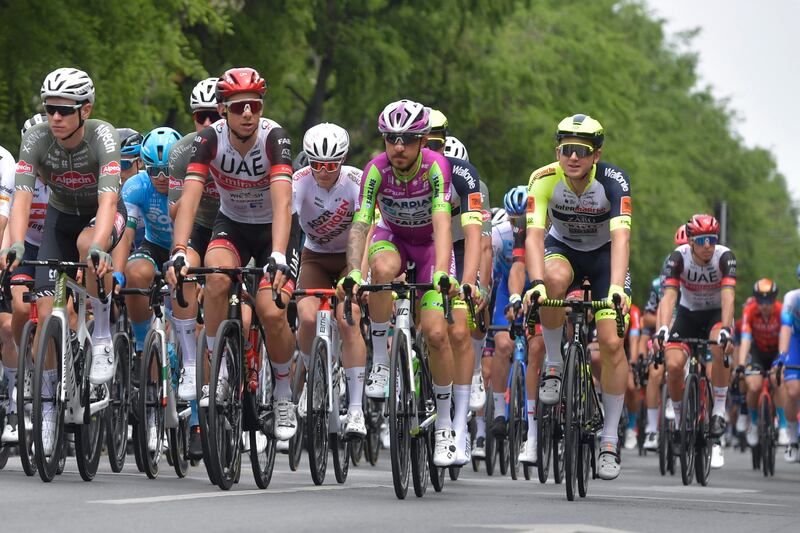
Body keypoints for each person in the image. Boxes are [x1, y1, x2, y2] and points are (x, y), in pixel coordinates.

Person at [167, 67, 301, 442]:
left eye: (254, 106)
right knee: (214, 277)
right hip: (233, 223)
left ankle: (284, 394)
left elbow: (283, 200)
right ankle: (217, 371)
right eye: (239, 106)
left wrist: (276, 254)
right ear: (224, 108)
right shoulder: (210, 139)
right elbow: (190, 200)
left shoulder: (275, 138)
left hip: (275, 228)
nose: (247, 114)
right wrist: (179, 251)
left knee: (271, 311)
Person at [0, 68, 124, 454]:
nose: (55, 117)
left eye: (64, 110)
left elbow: (107, 201)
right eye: (50, 108)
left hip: (98, 217)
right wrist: (17, 244)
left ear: (84, 110)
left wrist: (102, 245)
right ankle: (49, 401)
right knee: (43, 305)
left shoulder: (103, 137)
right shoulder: (36, 139)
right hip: (59, 218)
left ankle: (101, 330)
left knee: (90, 246)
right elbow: (21, 198)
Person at [339, 99, 458, 466]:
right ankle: (380, 362)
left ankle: (445, 427)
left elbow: (441, 221)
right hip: (394, 238)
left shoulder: (436, 167)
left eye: (407, 138)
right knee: (381, 268)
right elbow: (361, 223)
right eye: (392, 139)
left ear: (422, 139)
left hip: (428, 248)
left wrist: (441, 269)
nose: (399, 147)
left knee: (437, 334)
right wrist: (353, 272)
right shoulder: (375, 170)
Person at [524, 113, 632, 480]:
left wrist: (616, 288)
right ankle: (554, 363)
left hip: (604, 258)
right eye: (566, 150)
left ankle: (609, 440)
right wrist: (536, 282)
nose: (573, 158)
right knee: (552, 280)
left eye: (582, 151)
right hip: (563, 249)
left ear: (596, 155)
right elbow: (535, 235)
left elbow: (621, 238)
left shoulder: (614, 183)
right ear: (558, 151)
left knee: (611, 342)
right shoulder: (542, 179)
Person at [293, 122, 367, 437]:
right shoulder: (299, 182)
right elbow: (288, 225)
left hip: (349, 259)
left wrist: (360, 275)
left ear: (342, 160)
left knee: (348, 320)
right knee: (307, 317)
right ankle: (313, 377)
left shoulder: (356, 181)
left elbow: (369, 229)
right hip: (316, 257)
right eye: (316, 164)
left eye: (331, 165)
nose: (323, 171)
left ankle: (355, 410)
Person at [166, 76, 222, 457]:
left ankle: (253, 384)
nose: (208, 124)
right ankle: (191, 363)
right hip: (200, 225)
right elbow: (177, 211)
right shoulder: (183, 151)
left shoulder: (242, 147)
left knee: (249, 314)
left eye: (215, 116)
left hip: (240, 226)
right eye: (201, 117)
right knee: (182, 277)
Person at [654, 214, 736, 469]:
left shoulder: (725, 257)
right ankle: (679, 421)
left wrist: (725, 329)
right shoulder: (677, 258)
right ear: (690, 241)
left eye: (712, 239)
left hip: (714, 315)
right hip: (688, 314)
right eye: (702, 240)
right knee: (674, 364)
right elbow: (668, 297)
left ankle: (718, 411)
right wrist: (664, 328)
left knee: (720, 345)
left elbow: (728, 297)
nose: (708, 245)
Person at [736, 278, 783, 448]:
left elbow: (787, 339)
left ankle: (783, 425)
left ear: (774, 299)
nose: (765, 305)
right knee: (754, 386)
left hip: (776, 352)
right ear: (756, 300)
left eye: (769, 300)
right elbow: (746, 340)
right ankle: (754, 424)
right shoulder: (749, 310)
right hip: (757, 352)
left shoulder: (781, 311)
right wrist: (741, 364)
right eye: (761, 301)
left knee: (778, 380)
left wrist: (782, 362)